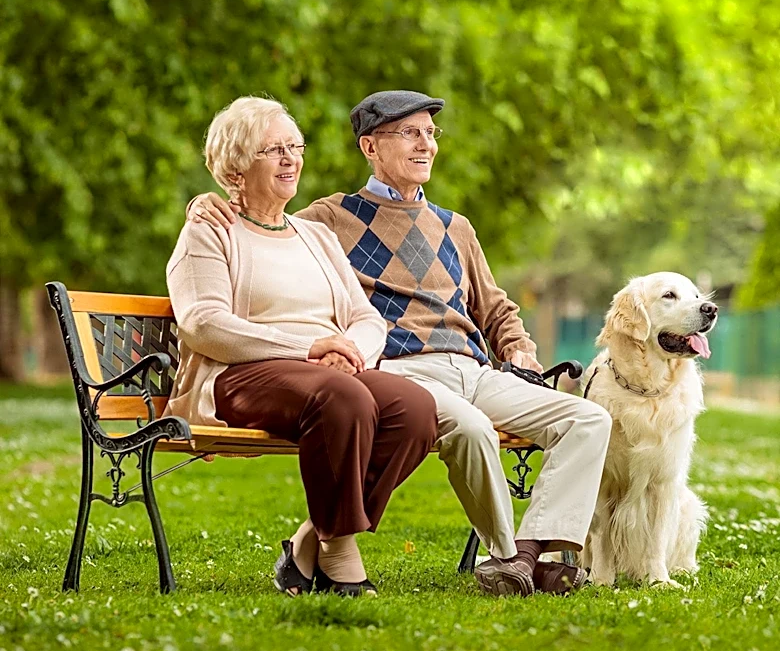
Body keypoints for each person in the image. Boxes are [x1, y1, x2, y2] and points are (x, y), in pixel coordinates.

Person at [188, 90, 612, 597]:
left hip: (473, 368)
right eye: (410, 133)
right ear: (370, 147)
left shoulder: (457, 227)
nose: (425, 145)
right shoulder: (332, 218)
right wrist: (207, 200)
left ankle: (526, 553)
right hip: (401, 366)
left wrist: (518, 347)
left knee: (588, 419)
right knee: (467, 429)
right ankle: (506, 558)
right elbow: (259, 215)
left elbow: (495, 308)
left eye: (430, 134)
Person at [167, 96, 437, 597]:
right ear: (237, 164)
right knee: (344, 397)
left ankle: (311, 540)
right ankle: (340, 553)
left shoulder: (316, 235)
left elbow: (365, 316)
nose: (291, 158)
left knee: (415, 407)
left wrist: (349, 349)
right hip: (242, 373)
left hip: (328, 370)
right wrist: (310, 347)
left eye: (296, 147)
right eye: (274, 149)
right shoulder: (208, 230)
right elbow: (204, 323)